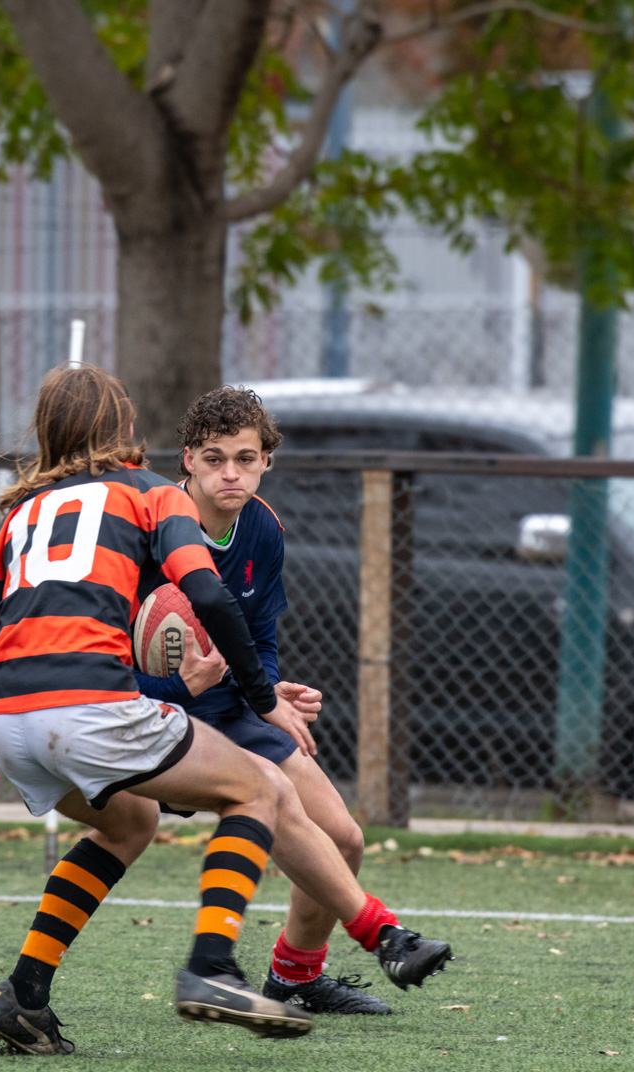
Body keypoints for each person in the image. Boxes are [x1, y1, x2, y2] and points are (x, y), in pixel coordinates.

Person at [0, 365, 453, 1053]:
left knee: (129, 824)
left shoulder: (18, 516)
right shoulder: (148, 495)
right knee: (260, 791)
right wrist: (257, 698)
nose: (230, 473)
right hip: (100, 705)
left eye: (245, 458)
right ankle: (225, 964)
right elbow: (208, 599)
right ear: (131, 434)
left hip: (9, 720)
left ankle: (24, 994)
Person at [133, 386, 394, 1016]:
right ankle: (35, 979)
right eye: (216, 458)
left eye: (245, 459)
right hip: (153, 719)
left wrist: (267, 688)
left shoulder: (263, 528)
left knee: (345, 840)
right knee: (131, 832)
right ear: (188, 459)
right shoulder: (150, 533)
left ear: (266, 462)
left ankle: (296, 979)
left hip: (232, 710)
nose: (231, 473)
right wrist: (178, 687)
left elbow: (261, 637)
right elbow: (108, 672)